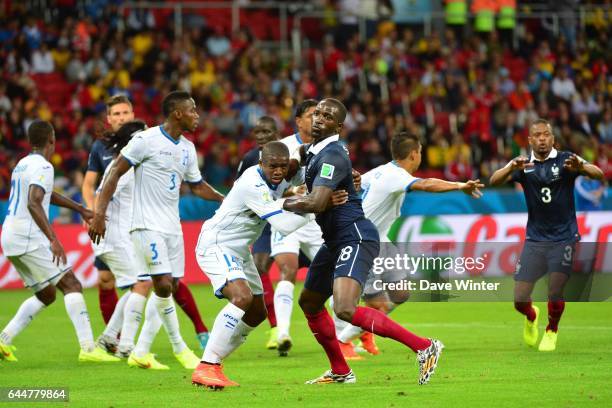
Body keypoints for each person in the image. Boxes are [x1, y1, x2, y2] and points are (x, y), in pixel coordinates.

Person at [283, 98, 444, 385]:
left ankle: (424, 346)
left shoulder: (332, 155)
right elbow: (312, 189)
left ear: (338, 126)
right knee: (309, 302)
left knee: (345, 308)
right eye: (317, 113)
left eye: (327, 116)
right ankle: (341, 371)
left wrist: (284, 203)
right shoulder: (313, 152)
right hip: (334, 240)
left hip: (355, 237)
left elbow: (317, 202)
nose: (319, 118)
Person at [191, 141, 347, 388]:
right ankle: (207, 366)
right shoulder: (251, 183)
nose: (278, 171)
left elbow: (304, 163)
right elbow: (284, 225)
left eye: (282, 167)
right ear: (261, 163)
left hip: (240, 249)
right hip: (217, 244)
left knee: (256, 312)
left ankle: (213, 363)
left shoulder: (284, 174)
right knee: (241, 298)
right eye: (272, 166)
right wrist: (318, 206)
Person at [89, 91, 224, 369]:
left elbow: (196, 185)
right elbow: (114, 172)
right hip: (145, 225)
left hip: (172, 228)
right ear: (177, 113)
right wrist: (99, 214)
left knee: (170, 286)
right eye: (192, 110)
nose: (197, 115)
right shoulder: (145, 141)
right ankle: (179, 347)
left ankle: (139, 350)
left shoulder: (187, 148)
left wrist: (225, 199)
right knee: (160, 282)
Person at [335, 131, 483, 359]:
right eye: (421, 152)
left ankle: (364, 331)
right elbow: (426, 184)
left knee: (401, 293)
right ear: (414, 154)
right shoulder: (395, 175)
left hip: (381, 240)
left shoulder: (381, 171)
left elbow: (356, 184)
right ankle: (344, 341)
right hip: (362, 242)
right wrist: (459, 186)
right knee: (377, 307)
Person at [0, 120, 119, 363]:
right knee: (71, 284)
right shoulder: (44, 166)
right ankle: (88, 348)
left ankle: (3, 339)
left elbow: (45, 195)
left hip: (10, 236)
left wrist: (80, 208)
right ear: (51, 140)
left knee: (47, 294)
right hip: (28, 237)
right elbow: (35, 201)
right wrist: (53, 238)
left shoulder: (23, 164)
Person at [490, 118, 604, 351]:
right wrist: (510, 167)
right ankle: (531, 315)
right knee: (520, 299)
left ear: (553, 138)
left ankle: (552, 329)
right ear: (530, 140)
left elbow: (599, 174)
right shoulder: (523, 164)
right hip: (535, 239)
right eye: (537, 135)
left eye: (546, 134)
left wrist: (581, 168)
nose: (542, 138)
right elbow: (493, 180)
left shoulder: (566, 159)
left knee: (555, 290)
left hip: (564, 237)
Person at [92, 120, 153, 358]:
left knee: (138, 285)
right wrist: (98, 218)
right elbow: (105, 192)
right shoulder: (126, 167)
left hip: (116, 236)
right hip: (114, 237)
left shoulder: (127, 164)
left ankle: (109, 337)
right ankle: (126, 346)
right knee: (143, 283)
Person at [271, 99, 324, 356]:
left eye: (321, 115)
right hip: (286, 217)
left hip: (313, 220)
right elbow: (271, 186)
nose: (317, 119)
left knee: (336, 275)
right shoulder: (284, 148)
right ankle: (282, 333)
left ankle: (345, 337)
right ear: (299, 120)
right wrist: (292, 190)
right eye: (312, 114)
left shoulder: (327, 146)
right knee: (288, 269)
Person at [82, 94, 133, 325]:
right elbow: (88, 185)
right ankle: (115, 337)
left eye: (125, 113)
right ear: (109, 119)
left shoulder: (143, 141)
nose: (121, 118)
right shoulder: (100, 146)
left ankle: (199, 331)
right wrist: (92, 212)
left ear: (132, 115)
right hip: (111, 221)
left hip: (139, 219)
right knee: (104, 278)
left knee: (154, 280)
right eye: (116, 114)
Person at [236, 116, 282, 349]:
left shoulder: (290, 154)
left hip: (288, 219)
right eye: (258, 132)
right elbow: (238, 189)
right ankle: (276, 328)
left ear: (277, 132)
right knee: (260, 266)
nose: (262, 136)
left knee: (292, 269)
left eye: (267, 131)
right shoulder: (249, 159)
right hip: (265, 223)